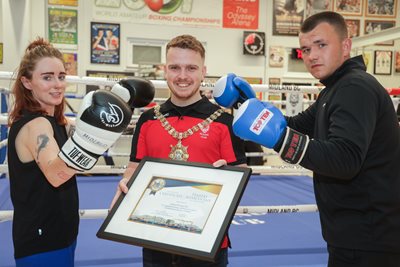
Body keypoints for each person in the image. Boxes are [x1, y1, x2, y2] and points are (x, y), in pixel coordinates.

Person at [215, 11, 400, 267]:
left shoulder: (355, 88)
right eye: (305, 49)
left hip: (370, 237)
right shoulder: (334, 90)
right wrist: (246, 104)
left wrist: (279, 138)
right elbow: (294, 126)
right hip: (354, 231)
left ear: (346, 45)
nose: (312, 55)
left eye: (321, 45)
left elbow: (345, 159)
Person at [8, 37, 153, 266]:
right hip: (41, 238)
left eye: (61, 76)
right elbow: (56, 176)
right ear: (27, 82)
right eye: (47, 77)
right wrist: (93, 139)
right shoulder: (35, 125)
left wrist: (119, 99)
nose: (57, 84)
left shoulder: (56, 121)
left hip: (61, 231)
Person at [110, 34, 247, 267]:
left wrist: (230, 177)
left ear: (204, 72)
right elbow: (134, 167)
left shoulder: (224, 121)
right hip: (154, 237)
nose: (182, 76)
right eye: (175, 67)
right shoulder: (147, 119)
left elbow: (241, 172)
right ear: (165, 70)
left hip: (207, 240)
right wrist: (125, 184)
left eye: (191, 68)